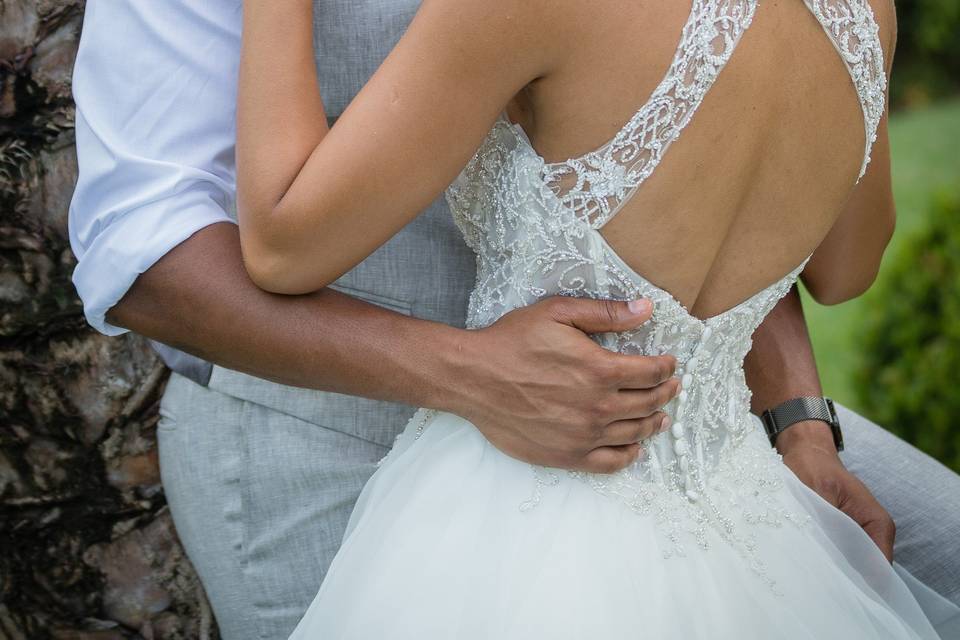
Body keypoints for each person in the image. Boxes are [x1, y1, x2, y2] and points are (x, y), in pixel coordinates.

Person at [67, 1, 960, 638]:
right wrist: (468, 372)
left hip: (612, 459)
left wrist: (802, 419)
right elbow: (843, 267)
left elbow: (284, 237)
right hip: (332, 416)